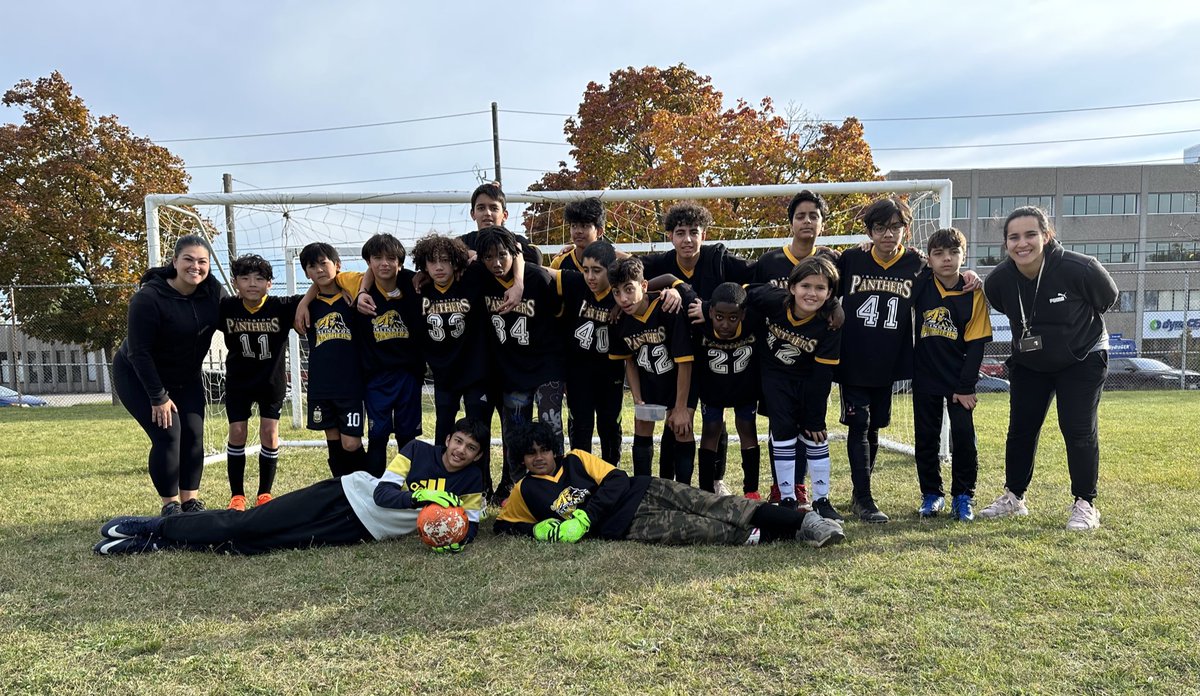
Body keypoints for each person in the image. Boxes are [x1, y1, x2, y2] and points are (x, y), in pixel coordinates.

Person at [94, 418, 488, 556]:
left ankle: (166, 544)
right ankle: (157, 526)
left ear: (475, 458)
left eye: (470, 449)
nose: (460, 451)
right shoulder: (417, 450)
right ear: (448, 439)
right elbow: (384, 494)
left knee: (261, 544)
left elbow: (470, 525)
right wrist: (420, 496)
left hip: (361, 530)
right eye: (458, 442)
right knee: (248, 523)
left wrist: (453, 533)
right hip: (345, 494)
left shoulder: (471, 480)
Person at [978, 206, 1117, 531]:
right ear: (1006, 242)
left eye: (1030, 235)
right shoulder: (999, 280)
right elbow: (1001, 304)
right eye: (1014, 237)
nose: (1021, 243)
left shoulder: (1080, 268)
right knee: (1021, 429)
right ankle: (1014, 497)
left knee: (1077, 428)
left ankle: (1085, 503)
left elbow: (1107, 298)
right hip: (1030, 362)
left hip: (1082, 357)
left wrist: (1070, 337)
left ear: (1047, 236)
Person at [493, 422, 846, 547]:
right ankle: (788, 535)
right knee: (707, 530)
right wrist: (537, 531)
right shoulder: (526, 490)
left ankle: (806, 522)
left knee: (718, 505)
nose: (539, 458)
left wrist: (585, 516)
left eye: (544, 450)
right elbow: (504, 525)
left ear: (555, 450)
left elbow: (616, 479)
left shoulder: (576, 459)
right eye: (530, 454)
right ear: (521, 459)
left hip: (643, 489)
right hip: (628, 525)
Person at [643, 201, 755, 494]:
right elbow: (627, 273)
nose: (688, 239)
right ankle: (668, 483)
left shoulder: (719, 260)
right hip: (674, 355)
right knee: (675, 416)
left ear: (704, 235)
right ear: (670, 236)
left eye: (694, 232)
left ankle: (715, 480)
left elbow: (757, 274)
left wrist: (708, 308)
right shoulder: (661, 264)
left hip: (713, 353)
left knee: (714, 420)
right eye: (680, 232)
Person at [113, 234, 226, 516]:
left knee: (193, 433)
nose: (195, 267)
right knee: (169, 433)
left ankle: (190, 502)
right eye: (188, 259)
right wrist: (158, 396)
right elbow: (139, 352)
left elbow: (237, 320)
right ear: (175, 261)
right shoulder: (148, 298)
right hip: (139, 375)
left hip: (185, 376)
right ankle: (170, 505)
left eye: (202, 261)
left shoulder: (213, 292)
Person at [835, 197, 926, 523]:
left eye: (895, 227)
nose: (888, 234)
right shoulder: (851, 259)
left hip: (889, 361)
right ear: (869, 231)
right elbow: (822, 274)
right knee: (858, 424)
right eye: (880, 227)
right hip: (853, 358)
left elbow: (947, 277)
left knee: (874, 425)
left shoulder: (917, 263)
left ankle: (861, 491)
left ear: (906, 228)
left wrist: (969, 276)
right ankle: (863, 498)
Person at [740, 258, 843, 519]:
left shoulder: (830, 323)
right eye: (805, 286)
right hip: (774, 377)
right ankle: (787, 498)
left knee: (815, 433)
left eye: (820, 288)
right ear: (791, 287)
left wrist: (815, 416)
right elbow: (742, 290)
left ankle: (822, 499)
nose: (812, 293)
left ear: (830, 293)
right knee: (783, 433)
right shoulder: (773, 299)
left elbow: (823, 373)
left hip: (810, 380)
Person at [473, 226, 566, 501]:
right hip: (511, 369)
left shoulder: (538, 278)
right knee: (515, 433)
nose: (496, 262)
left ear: (515, 254)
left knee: (551, 426)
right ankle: (520, 492)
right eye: (489, 257)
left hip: (546, 365)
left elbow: (561, 317)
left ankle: (557, 487)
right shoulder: (480, 278)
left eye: (502, 255)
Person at [911, 228, 992, 521]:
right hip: (925, 376)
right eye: (939, 254)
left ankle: (963, 496)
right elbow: (904, 262)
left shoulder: (973, 293)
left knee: (963, 438)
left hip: (959, 380)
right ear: (930, 259)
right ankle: (932, 494)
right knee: (926, 438)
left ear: (963, 255)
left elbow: (977, 344)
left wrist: (966, 385)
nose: (946, 259)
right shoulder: (921, 284)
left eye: (953, 253)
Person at [409, 233, 494, 490]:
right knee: (444, 429)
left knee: (478, 430)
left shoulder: (472, 280)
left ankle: (481, 485)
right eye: (432, 262)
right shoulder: (418, 289)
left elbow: (482, 259)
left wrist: (462, 259)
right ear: (423, 266)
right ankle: (440, 482)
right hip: (443, 374)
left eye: (445, 260)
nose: (438, 267)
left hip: (475, 372)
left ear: (456, 263)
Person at [218, 254, 301, 511]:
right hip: (238, 382)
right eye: (245, 278)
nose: (252, 283)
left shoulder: (282, 306)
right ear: (235, 283)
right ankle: (237, 495)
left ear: (270, 284)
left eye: (259, 278)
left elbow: (312, 295)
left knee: (269, 432)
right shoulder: (226, 307)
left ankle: (264, 493)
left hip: (270, 382)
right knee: (238, 432)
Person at [340, 234, 426, 475]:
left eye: (391, 258)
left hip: (408, 374)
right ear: (368, 262)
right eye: (377, 258)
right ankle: (375, 487)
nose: (384, 263)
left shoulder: (415, 283)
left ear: (400, 262)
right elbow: (325, 277)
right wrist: (305, 302)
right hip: (376, 377)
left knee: (407, 436)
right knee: (377, 434)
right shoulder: (356, 283)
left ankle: (408, 484)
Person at [609, 257, 698, 484]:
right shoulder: (620, 319)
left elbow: (684, 361)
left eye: (629, 289)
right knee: (642, 424)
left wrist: (680, 407)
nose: (623, 298)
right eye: (616, 292)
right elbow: (629, 361)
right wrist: (637, 399)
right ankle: (643, 489)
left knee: (682, 427)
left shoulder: (667, 307)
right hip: (650, 382)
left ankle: (683, 490)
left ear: (644, 286)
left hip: (678, 382)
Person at [296, 242, 368, 476]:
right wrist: (304, 302)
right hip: (321, 386)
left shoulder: (354, 298)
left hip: (350, 385)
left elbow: (370, 276)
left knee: (351, 443)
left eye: (323, 263)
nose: (318, 270)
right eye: (311, 266)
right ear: (306, 273)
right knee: (334, 442)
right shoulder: (306, 306)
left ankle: (366, 484)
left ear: (337, 265)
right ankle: (340, 490)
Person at [553, 240, 625, 465]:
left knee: (609, 427)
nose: (590, 277)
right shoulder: (575, 283)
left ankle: (611, 476)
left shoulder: (623, 293)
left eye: (597, 270)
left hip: (610, 373)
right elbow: (538, 270)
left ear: (611, 270)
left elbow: (644, 274)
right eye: (586, 270)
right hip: (578, 372)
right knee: (580, 427)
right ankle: (579, 478)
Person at [691, 282, 763, 497]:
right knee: (711, 430)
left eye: (732, 318)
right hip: (713, 387)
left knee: (747, 428)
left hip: (745, 387)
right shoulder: (700, 323)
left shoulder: (754, 322)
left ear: (743, 314)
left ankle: (751, 491)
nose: (724, 324)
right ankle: (706, 491)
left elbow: (768, 292)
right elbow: (683, 290)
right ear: (710, 311)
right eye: (719, 317)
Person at [550, 197, 606, 274]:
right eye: (574, 226)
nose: (578, 231)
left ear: (599, 231)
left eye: (584, 226)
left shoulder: (611, 263)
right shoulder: (559, 263)